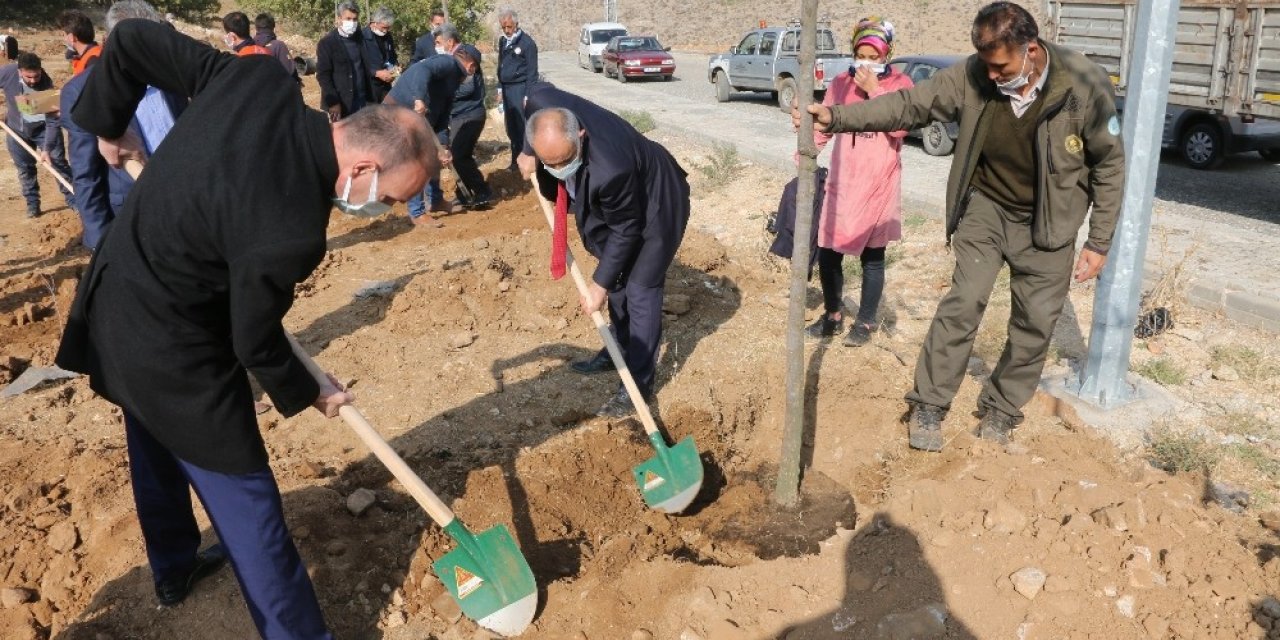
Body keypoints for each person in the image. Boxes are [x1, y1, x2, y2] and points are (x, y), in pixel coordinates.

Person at [56, 18, 436, 638]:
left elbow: (128, 41)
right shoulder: (292, 230)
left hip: (113, 299)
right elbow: (253, 340)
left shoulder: (259, 81)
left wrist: (107, 121)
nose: (385, 209)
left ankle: (174, 567)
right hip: (170, 343)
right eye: (391, 198)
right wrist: (313, 391)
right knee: (248, 499)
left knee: (152, 436)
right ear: (363, 167)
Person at [797, 1, 1125, 451]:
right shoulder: (974, 74)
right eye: (985, 65)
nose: (990, 75)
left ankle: (1002, 409)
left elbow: (1109, 164)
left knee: (1034, 323)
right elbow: (911, 105)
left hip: (1051, 221)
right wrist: (837, 117)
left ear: (1031, 50)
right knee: (963, 302)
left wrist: (1100, 240)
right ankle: (929, 403)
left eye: (1000, 65)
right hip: (987, 208)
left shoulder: (1083, 85)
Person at [519, 83, 690, 417]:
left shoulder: (612, 169)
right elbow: (532, 97)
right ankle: (619, 350)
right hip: (617, 202)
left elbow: (627, 229)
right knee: (617, 277)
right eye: (548, 162)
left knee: (640, 288)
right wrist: (527, 151)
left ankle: (636, 386)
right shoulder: (542, 104)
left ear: (580, 134)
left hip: (656, 203)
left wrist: (598, 286)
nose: (557, 169)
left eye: (564, 161)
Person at [805, 18, 913, 347]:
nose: (866, 62)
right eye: (860, 54)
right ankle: (833, 316)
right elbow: (824, 123)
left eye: (874, 56)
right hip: (843, 179)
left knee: (872, 256)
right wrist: (805, 153)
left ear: (887, 55)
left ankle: (865, 322)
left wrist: (873, 91)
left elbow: (901, 128)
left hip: (878, 182)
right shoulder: (840, 83)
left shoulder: (900, 84)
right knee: (827, 252)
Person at [60, 0, 183, 250]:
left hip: (185, 204)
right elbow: (86, 175)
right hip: (132, 214)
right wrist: (99, 242)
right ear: (113, 41)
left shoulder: (174, 76)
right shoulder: (82, 91)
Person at [386, 24, 476, 224]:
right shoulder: (447, 62)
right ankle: (417, 212)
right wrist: (419, 98)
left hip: (420, 117)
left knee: (433, 155)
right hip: (399, 111)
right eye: (473, 66)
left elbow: (443, 118)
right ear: (467, 63)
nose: (473, 71)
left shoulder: (454, 83)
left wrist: (443, 147)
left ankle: (435, 200)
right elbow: (421, 70)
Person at [1, 52, 74, 219]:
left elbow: (53, 122)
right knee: (25, 170)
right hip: (16, 130)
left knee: (58, 163)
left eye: (37, 76)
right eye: (29, 77)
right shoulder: (8, 73)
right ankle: (33, 204)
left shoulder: (46, 86)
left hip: (42, 129)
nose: (33, 80)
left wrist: (47, 148)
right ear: (19, 71)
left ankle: (73, 199)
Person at [449, 42, 493, 209]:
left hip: (470, 116)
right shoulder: (461, 65)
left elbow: (465, 90)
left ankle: (482, 191)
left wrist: (445, 93)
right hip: (459, 116)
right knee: (458, 156)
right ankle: (464, 193)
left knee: (460, 156)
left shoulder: (469, 69)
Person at [496, 7, 538, 171]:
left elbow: (532, 73)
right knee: (511, 126)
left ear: (516, 24)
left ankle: (527, 161)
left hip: (520, 89)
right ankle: (515, 160)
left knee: (522, 126)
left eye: (509, 27)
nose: (507, 31)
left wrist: (528, 95)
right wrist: (500, 88)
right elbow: (501, 65)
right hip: (506, 89)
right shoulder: (503, 41)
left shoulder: (527, 43)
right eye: (504, 27)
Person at [316, 1, 371, 121]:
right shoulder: (327, 43)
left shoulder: (360, 39)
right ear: (339, 18)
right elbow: (323, 75)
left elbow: (365, 66)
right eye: (348, 18)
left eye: (355, 19)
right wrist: (333, 102)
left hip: (361, 99)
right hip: (341, 103)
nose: (352, 23)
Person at [362, 6, 398, 103]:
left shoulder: (388, 36)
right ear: (374, 23)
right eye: (383, 27)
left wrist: (394, 70)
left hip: (386, 87)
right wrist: (376, 73)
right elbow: (358, 63)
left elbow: (392, 56)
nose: (385, 31)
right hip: (369, 88)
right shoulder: (361, 38)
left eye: (388, 28)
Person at [58, 10, 102, 75]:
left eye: (64, 35)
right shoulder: (100, 52)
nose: (64, 39)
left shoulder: (92, 62)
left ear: (71, 37)